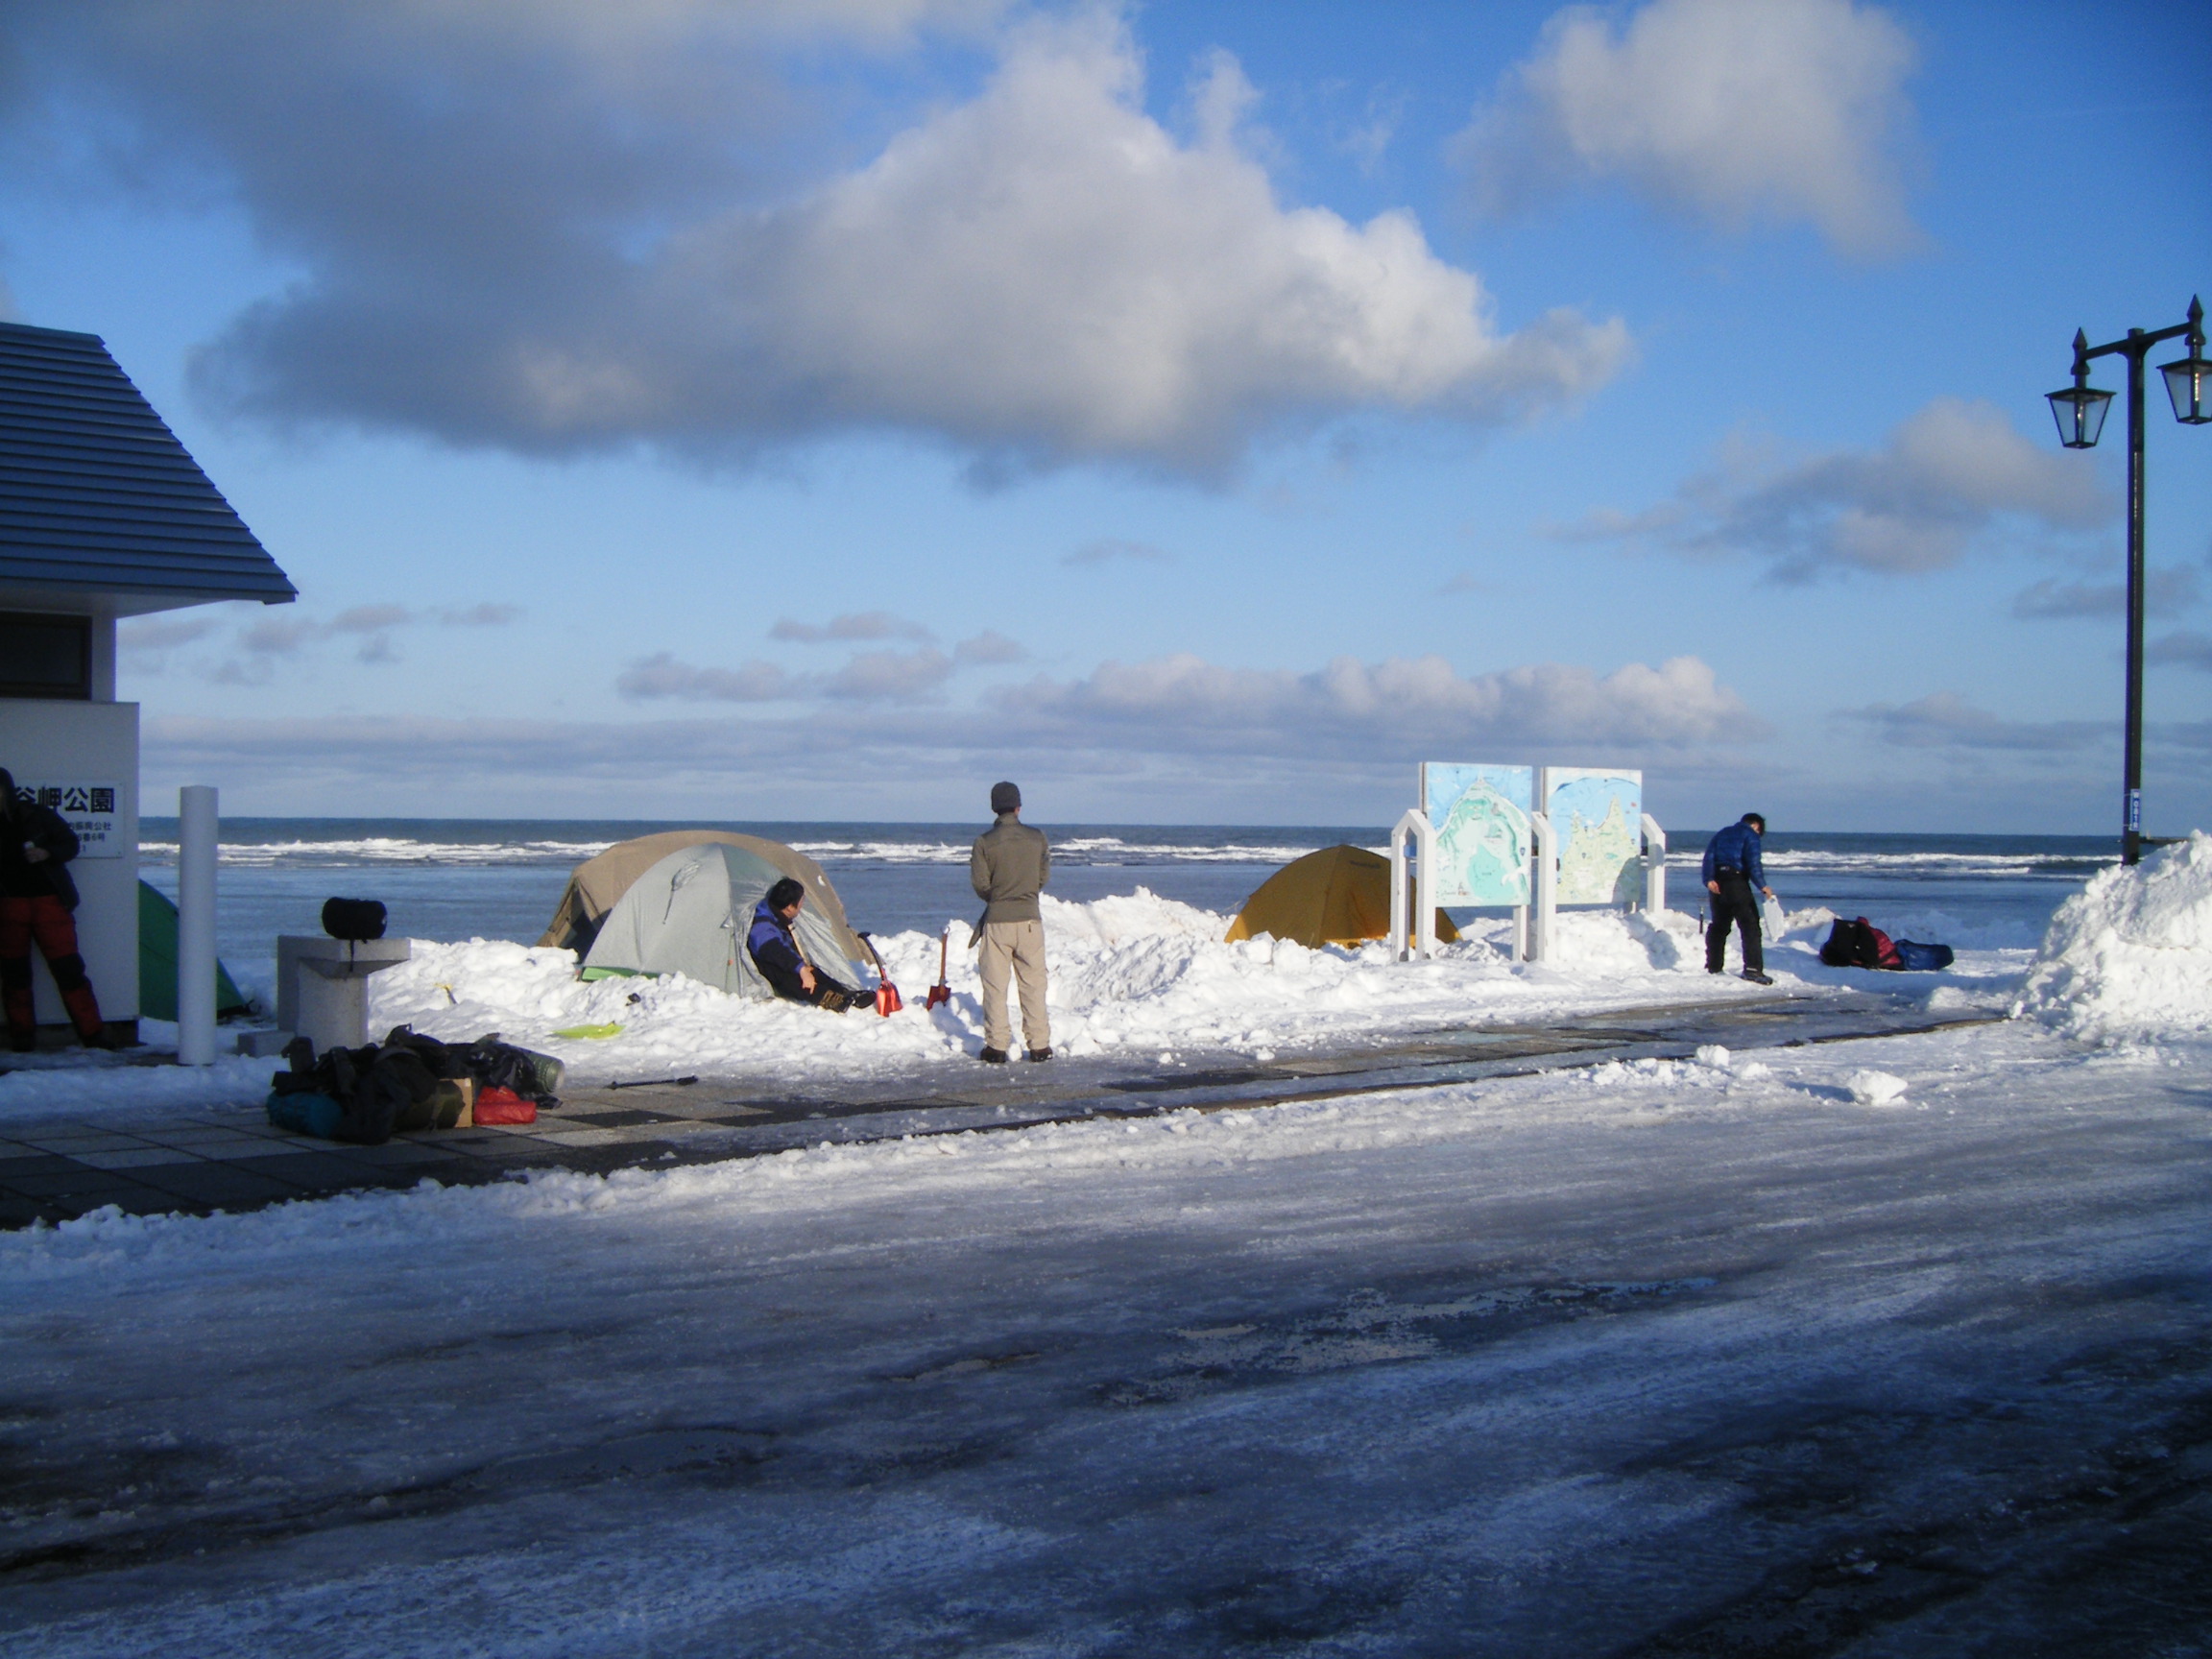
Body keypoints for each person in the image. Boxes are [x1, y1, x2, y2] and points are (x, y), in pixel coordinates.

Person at [0, 766, 111, 1051]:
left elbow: (70, 844)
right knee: (14, 975)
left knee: (68, 970)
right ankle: (22, 1038)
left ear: (7, 790)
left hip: (49, 903)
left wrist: (47, 852)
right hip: (9, 906)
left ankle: (93, 1036)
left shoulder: (36, 815)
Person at [970, 781, 1050, 1063]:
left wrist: (1000, 897)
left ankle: (997, 1045)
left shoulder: (984, 842)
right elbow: (1042, 878)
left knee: (995, 986)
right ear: (1018, 807)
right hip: (1030, 920)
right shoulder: (1037, 838)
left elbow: (980, 885)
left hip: (997, 922)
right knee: (1033, 985)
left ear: (994, 807)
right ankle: (1039, 1045)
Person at [745, 877, 868, 1013]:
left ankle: (844, 992)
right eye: (801, 901)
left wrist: (804, 968)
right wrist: (801, 969)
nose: (803, 905)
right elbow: (776, 951)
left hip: (783, 961)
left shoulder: (776, 915)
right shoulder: (762, 926)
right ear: (790, 907)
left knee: (812, 971)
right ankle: (827, 998)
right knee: (791, 977)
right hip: (768, 967)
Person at [1702, 812, 1776, 986]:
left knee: (1719, 926)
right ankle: (1752, 969)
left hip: (1717, 883)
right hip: (1736, 882)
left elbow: (1709, 857)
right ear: (1756, 825)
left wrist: (1708, 879)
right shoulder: (1751, 835)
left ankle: (1714, 966)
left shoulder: (1722, 833)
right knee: (1750, 925)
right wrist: (1762, 885)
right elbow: (1753, 862)